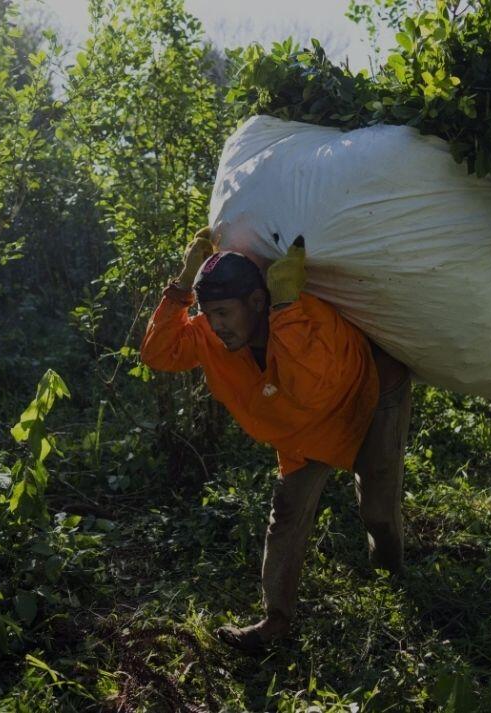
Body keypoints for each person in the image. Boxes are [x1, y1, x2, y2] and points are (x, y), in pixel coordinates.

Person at [140, 228, 412, 652]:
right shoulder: (211, 334)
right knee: (286, 513)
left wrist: (285, 304)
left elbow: (309, 386)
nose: (216, 326)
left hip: (372, 390)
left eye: (224, 313)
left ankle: (391, 579)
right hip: (305, 427)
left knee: (377, 507)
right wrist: (182, 285)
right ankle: (275, 620)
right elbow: (158, 353)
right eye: (209, 314)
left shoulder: (304, 316)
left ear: (256, 301)